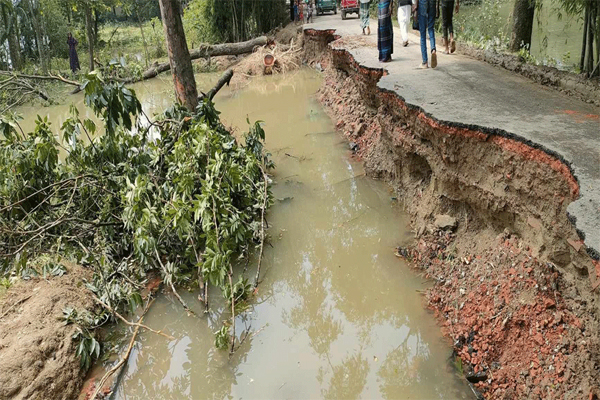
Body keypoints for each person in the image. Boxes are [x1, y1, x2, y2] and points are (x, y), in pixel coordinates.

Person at [412, 0, 437, 68]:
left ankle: (425, 62)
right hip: (432, 3)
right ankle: (433, 49)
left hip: (422, 3)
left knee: (422, 33)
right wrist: (437, 6)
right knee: (431, 28)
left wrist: (416, 5)